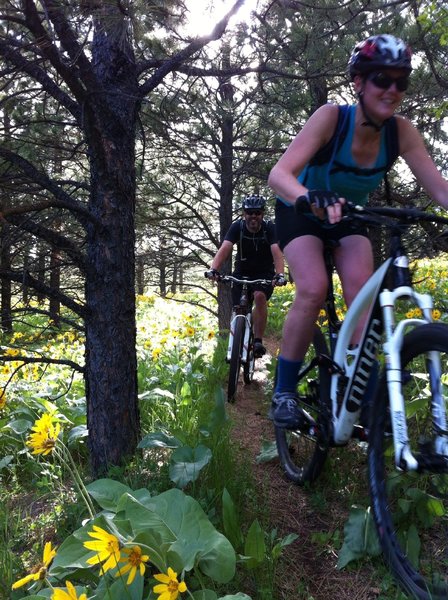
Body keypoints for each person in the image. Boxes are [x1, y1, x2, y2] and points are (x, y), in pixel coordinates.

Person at [267, 33, 448, 428]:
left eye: (402, 81)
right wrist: (307, 197)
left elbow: (440, 189)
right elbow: (278, 174)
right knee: (313, 288)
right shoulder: (332, 117)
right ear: (359, 82)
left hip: (349, 217)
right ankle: (283, 392)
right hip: (300, 210)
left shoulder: (402, 132)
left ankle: (355, 385)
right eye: (383, 78)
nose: (393, 89)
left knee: (362, 301)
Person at [207, 193, 285, 357]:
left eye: (257, 212)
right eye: (250, 212)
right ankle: (237, 338)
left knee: (259, 296)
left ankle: (257, 341)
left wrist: (279, 274)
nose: (253, 216)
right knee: (238, 306)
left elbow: (277, 252)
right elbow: (226, 248)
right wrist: (214, 268)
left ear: (262, 214)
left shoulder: (270, 228)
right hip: (242, 272)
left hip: (264, 273)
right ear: (244, 214)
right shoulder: (238, 227)